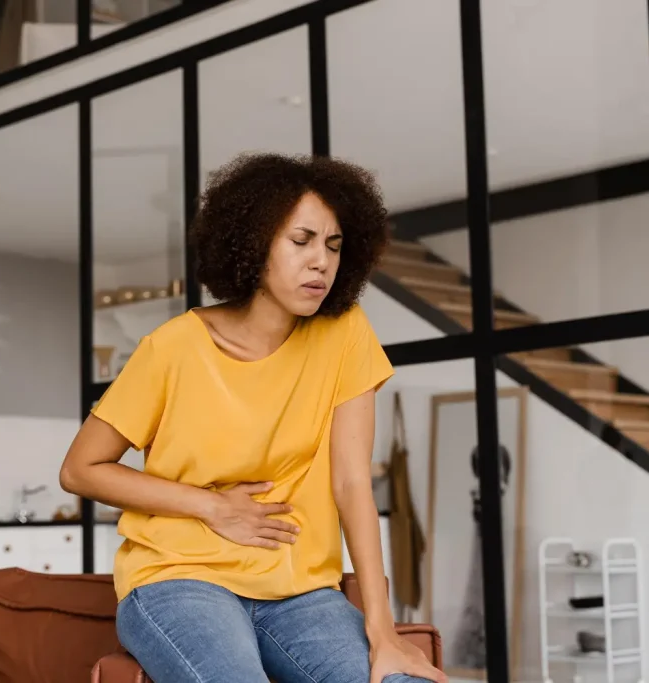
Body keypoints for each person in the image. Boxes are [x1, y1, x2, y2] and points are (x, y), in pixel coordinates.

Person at [60, 153, 447, 683]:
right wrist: (212, 508)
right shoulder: (171, 349)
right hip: (179, 580)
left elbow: (353, 482)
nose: (321, 262)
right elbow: (80, 468)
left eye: (334, 246)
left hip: (300, 594)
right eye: (301, 241)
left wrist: (384, 631)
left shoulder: (345, 333)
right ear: (252, 243)